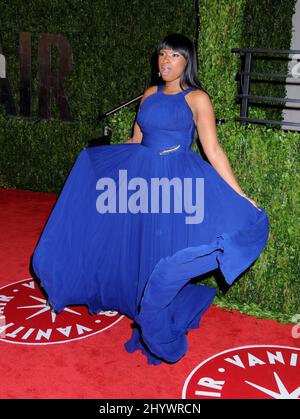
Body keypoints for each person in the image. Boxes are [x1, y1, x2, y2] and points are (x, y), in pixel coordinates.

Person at [32, 33, 269, 366]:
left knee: (160, 249)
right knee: (137, 243)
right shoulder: (148, 94)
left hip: (174, 182)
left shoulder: (197, 99)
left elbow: (213, 150)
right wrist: (100, 162)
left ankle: (155, 313)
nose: (165, 61)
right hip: (140, 179)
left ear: (187, 61)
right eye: (162, 55)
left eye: (174, 55)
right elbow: (136, 140)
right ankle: (133, 298)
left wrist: (240, 194)